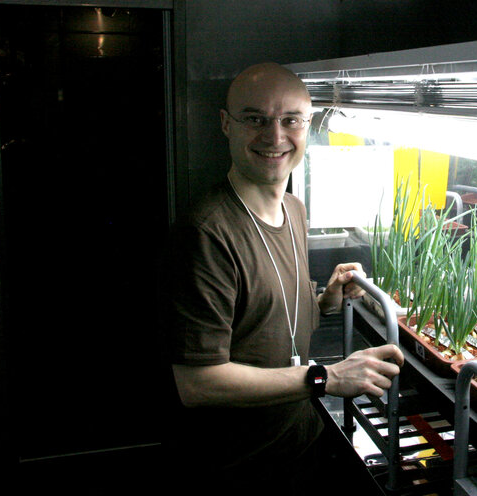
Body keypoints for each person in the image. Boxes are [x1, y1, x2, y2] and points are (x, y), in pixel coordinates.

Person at [161, 62, 403, 494]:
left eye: (290, 120)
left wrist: (325, 299)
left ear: (307, 126)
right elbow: (197, 383)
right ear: (226, 125)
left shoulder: (294, 210)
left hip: (297, 443)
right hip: (236, 467)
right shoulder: (206, 232)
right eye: (255, 119)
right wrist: (326, 378)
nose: (275, 137)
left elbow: (267, 317)